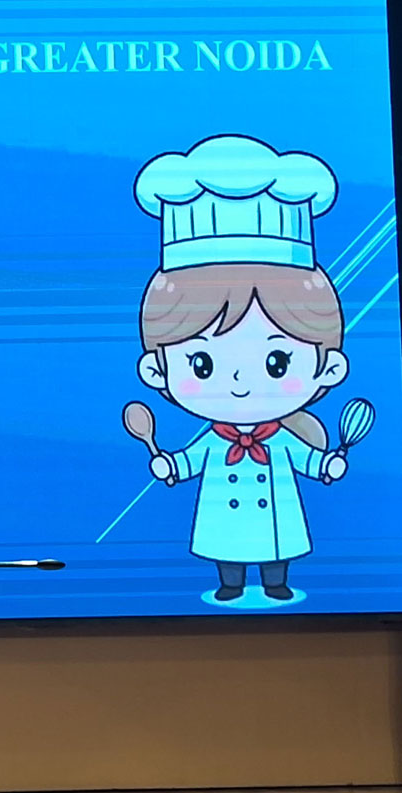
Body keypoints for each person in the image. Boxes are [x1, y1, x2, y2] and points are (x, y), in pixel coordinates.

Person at [130, 135, 357, 602]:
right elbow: (189, 461)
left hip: (274, 517)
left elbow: (308, 460)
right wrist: (169, 463)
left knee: (277, 544)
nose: (237, 382)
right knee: (226, 546)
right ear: (157, 369)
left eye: (277, 361)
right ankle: (230, 585)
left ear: (328, 366)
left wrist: (326, 464)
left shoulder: (282, 438)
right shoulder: (216, 440)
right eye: (202, 363)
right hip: (225, 516)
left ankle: (276, 583)